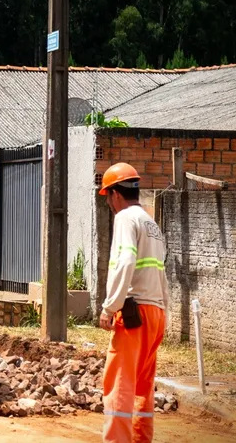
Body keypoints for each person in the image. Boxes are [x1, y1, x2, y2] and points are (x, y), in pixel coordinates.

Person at [98, 162, 169, 443]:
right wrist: (164, 313)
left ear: (115, 194)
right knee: (143, 385)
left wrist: (109, 307)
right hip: (155, 313)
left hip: (133, 315)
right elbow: (161, 273)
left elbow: (126, 261)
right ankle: (141, 438)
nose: (109, 204)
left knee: (120, 383)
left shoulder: (125, 218)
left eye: (108, 197)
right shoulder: (151, 223)